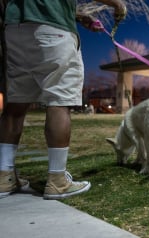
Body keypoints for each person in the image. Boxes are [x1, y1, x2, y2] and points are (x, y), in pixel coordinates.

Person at [0, 0, 126, 200]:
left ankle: (4, 176)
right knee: (59, 101)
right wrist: (117, 4)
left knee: (16, 103)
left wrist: (75, 14)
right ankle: (57, 179)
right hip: (53, 29)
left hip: (15, 28)